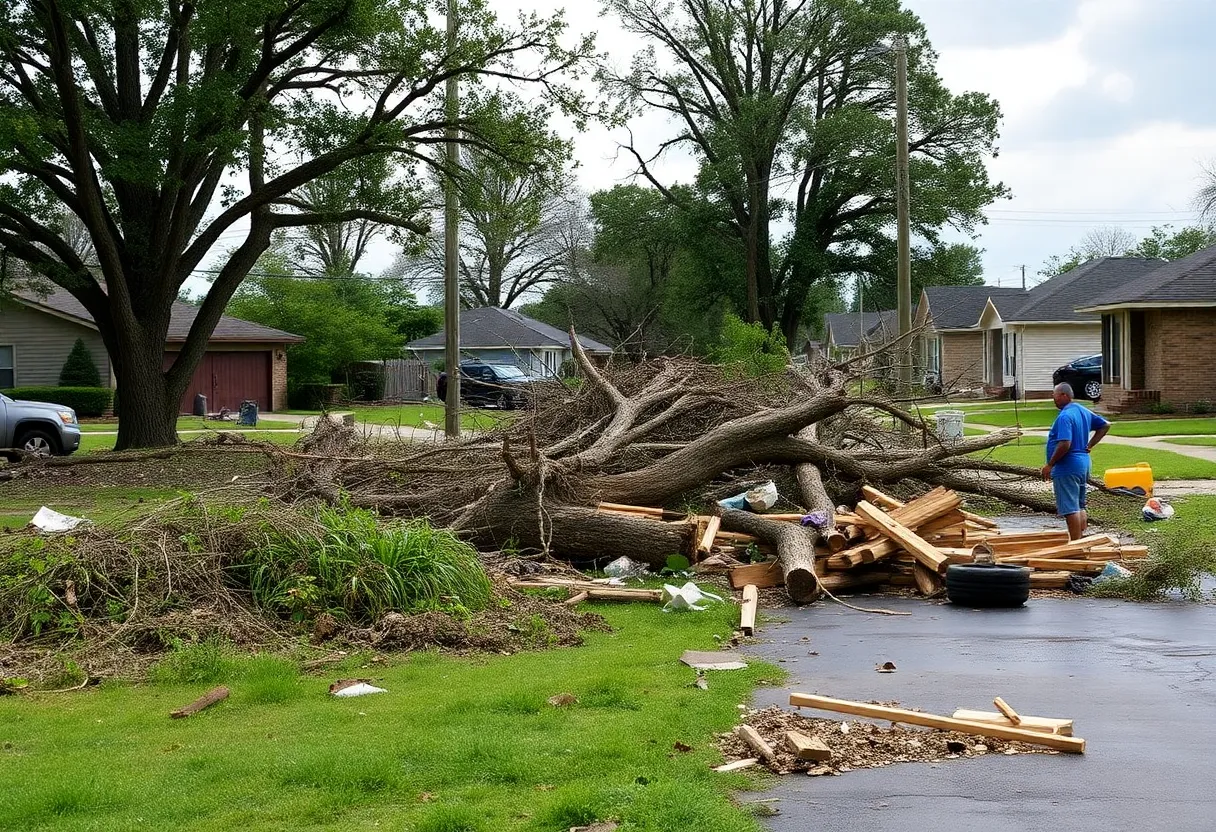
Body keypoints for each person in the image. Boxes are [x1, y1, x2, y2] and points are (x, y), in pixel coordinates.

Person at [1041, 382, 1110, 539]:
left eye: (1055, 396)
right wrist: (1090, 445)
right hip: (1083, 463)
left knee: (1070, 508)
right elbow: (1105, 425)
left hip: (1068, 466)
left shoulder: (1065, 416)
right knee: (1079, 505)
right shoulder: (1081, 410)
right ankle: (1082, 542)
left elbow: (1065, 443)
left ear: (1064, 395)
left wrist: (1050, 464)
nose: (1054, 399)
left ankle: (1076, 545)